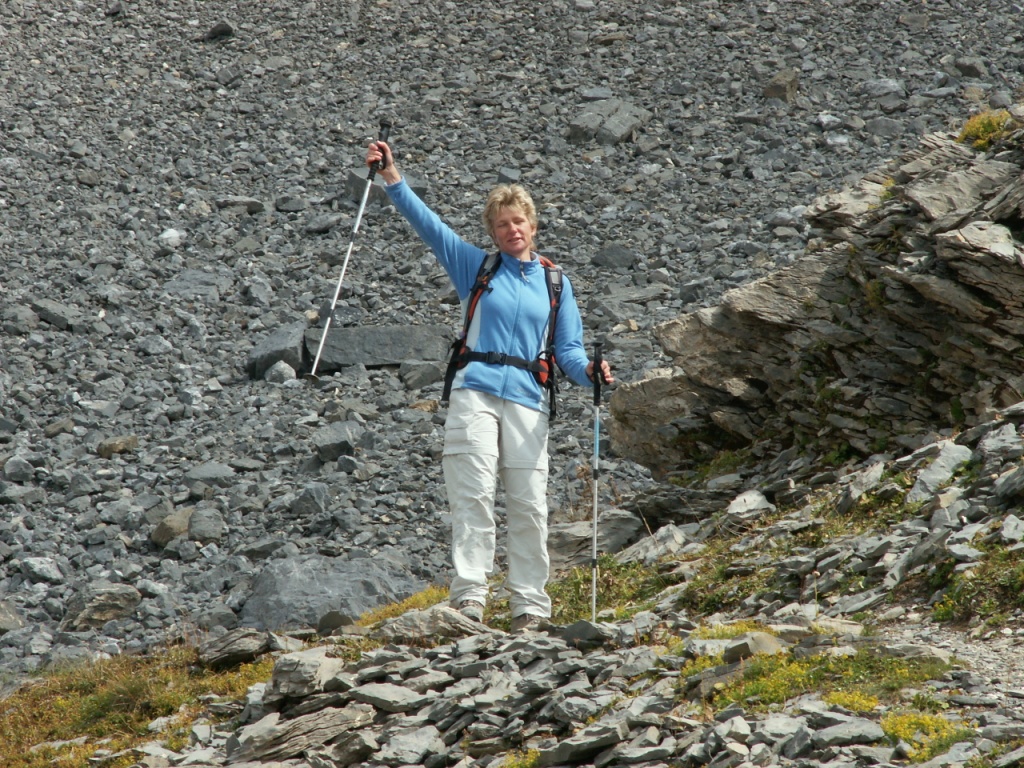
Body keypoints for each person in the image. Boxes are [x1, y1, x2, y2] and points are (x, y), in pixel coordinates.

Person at [365, 139, 613, 633]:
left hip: (527, 401)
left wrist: (591, 373)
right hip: (474, 392)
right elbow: (429, 226)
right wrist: (392, 177)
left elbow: (568, 353)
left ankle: (530, 607)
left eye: (518, 221)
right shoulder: (475, 267)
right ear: (493, 232)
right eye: (501, 224)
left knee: (528, 505)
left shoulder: (557, 284)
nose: (511, 230)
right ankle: (470, 600)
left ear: (533, 226)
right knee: (473, 494)